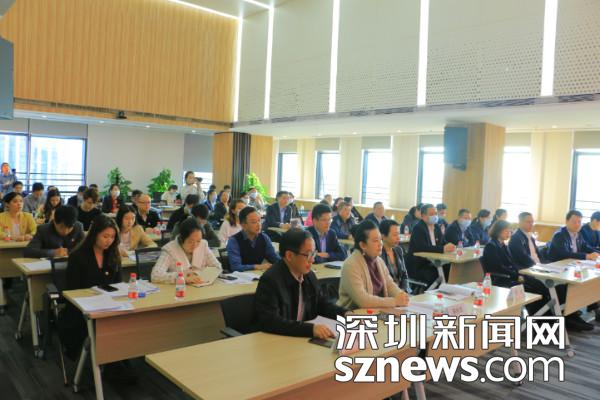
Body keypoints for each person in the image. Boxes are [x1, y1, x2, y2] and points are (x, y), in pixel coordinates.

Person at [254, 228, 348, 339]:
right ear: (289, 256)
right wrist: (310, 329)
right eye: (308, 255)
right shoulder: (270, 280)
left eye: (313, 254)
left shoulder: (309, 275)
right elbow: (270, 322)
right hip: (277, 340)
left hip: (300, 338)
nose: (312, 260)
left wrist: (345, 314)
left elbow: (322, 305)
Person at [59, 214, 121, 358]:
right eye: (105, 236)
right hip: (82, 308)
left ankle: (116, 359)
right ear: (95, 235)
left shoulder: (113, 254)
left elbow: (118, 285)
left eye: (112, 237)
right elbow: (73, 290)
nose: (109, 241)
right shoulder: (78, 256)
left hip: (109, 305)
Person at [480, 220, 564, 324]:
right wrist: (516, 276)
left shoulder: (502, 245)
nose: (509, 233)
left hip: (510, 275)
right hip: (502, 279)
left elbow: (511, 263)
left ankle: (546, 318)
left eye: (509, 231)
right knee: (533, 290)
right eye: (506, 231)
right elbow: (499, 267)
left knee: (539, 285)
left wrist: (519, 273)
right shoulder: (491, 246)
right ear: (498, 231)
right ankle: (539, 320)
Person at [337, 220, 410, 310]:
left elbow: (389, 285)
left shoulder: (379, 261)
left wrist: (401, 295)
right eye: (375, 241)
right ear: (363, 245)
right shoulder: (351, 265)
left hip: (377, 311)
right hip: (353, 314)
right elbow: (363, 301)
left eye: (380, 239)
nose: (380, 244)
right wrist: (394, 301)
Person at [151, 218, 221, 284]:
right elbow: (155, 275)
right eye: (190, 241)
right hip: (179, 290)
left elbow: (217, 267)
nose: (195, 245)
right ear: (182, 239)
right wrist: (181, 277)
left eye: (198, 241)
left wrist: (198, 274)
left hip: (201, 288)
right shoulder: (170, 249)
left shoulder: (203, 245)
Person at [407, 204, 456, 287]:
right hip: (420, 265)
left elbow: (443, 242)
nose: (435, 216)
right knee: (439, 273)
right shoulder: (418, 228)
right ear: (423, 216)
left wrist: (449, 245)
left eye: (436, 213)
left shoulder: (436, 227)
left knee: (451, 268)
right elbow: (423, 248)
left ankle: (446, 290)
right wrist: (443, 249)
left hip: (433, 262)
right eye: (431, 214)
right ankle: (436, 290)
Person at [227, 206, 280, 272]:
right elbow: (236, 267)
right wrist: (257, 266)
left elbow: (274, 258)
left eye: (259, 221)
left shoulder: (264, 237)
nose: (259, 225)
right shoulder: (234, 241)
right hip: (241, 277)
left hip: (257, 275)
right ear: (243, 225)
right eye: (254, 222)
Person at [379, 219, 410, 292]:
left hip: (401, 292)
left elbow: (404, 275)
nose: (398, 238)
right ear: (383, 236)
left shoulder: (398, 250)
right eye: (395, 235)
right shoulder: (378, 254)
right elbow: (380, 282)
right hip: (387, 293)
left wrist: (404, 290)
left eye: (398, 234)